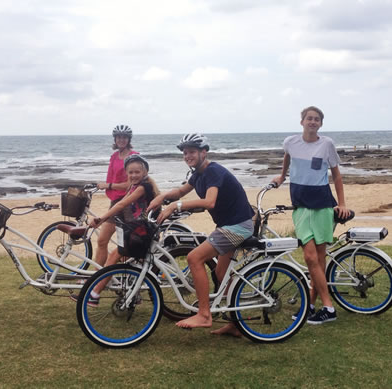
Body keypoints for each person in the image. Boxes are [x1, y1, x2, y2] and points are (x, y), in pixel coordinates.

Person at [147, 133, 254, 333]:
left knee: (194, 258)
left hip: (237, 226)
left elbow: (209, 202)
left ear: (204, 152)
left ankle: (204, 315)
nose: (188, 156)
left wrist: (174, 207)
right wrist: (161, 198)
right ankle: (236, 323)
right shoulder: (198, 174)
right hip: (229, 225)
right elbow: (180, 192)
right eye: (185, 153)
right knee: (221, 273)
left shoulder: (213, 171)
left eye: (192, 152)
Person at [272, 106, 350, 325]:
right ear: (302, 122)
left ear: (320, 124)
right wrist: (281, 176)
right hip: (300, 205)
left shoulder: (327, 144)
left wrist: (342, 203)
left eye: (317, 119)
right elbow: (287, 158)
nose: (313, 122)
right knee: (309, 256)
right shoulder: (290, 142)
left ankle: (314, 305)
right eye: (309, 118)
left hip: (323, 205)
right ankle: (328, 306)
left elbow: (336, 175)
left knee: (318, 258)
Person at [86, 154, 159, 306]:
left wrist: (101, 219)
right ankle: (135, 294)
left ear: (144, 172)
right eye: (130, 172)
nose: (133, 175)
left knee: (114, 255)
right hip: (138, 229)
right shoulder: (134, 186)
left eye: (137, 172)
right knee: (132, 262)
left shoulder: (142, 187)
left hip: (143, 232)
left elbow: (120, 205)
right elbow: (123, 205)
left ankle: (94, 293)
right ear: (126, 173)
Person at [94, 125, 138, 267]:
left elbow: (130, 184)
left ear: (128, 139)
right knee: (102, 241)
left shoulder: (133, 156)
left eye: (124, 137)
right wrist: (107, 186)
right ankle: (97, 275)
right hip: (116, 202)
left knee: (128, 244)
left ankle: (126, 275)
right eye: (119, 137)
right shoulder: (114, 156)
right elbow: (111, 178)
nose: (121, 140)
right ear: (115, 139)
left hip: (129, 203)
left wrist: (108, 186)